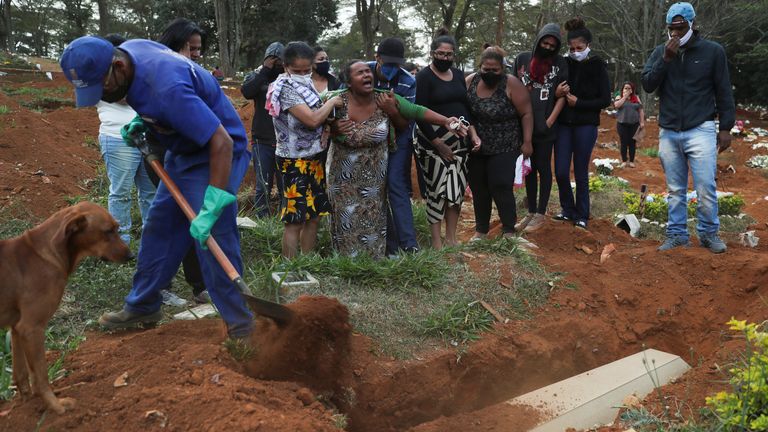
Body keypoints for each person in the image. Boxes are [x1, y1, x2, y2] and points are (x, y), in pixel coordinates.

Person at [60, 36, 254, 339]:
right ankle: (144, 304)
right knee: (159, 227)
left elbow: (222, 142)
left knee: (213, 237)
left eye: (104, 89)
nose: (104, 98)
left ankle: (242, 326)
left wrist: (213, 203)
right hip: (182, 149)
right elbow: (151, 97)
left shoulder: (166, 89)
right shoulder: (132, 52)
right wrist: (147, 124)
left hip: (215, 154)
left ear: (118, 66)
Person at [326, 60, 466, 258]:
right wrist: (331, 126)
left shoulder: (385, 98)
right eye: (360, 73)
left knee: (373, 216)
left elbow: (416, 110)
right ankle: (348, 262)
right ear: (349, 82)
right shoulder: (336, 100)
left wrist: (446, 120)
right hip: (343, 177)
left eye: (368, 71)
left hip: (374, 176)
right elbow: (311, 119)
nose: (367, 75)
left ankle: (374, 260)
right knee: (346, 218)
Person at [642, 2, 734, 253]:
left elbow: (723, 89)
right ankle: (677, 233)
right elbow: (648, 84)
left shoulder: (712, 51)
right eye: (672, 29)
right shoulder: (661, 51)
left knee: (705, 185)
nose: (676, 34)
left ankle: (708, 233)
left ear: (692, 24)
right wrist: (665, 59)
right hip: (669, 129)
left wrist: (726, 126)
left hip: (700, 127)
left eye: (681, 28)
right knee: (675, 189)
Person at [267, 41, 343, 258]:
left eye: (306, 70)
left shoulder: (307, 86)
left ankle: (308, 262)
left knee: (315, 214)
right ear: (285, 67)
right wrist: (330, 103)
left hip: (314, 156)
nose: (302, 74)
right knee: (294, 219)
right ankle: (290, 268)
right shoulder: (284, 89)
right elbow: (311, 120)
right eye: (296, 71)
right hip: (293, 161)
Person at [157, 18, 212, 304]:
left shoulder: (195, 73)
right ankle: (160, 286)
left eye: (198, 49)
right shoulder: (162, 73)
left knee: (195, 220)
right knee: (173, 220)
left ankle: (200, 285)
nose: (195, 54)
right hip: (162, 152)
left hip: (190, 155)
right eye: (190, 48)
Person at [415, 29, 481, 249]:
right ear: (432, 53)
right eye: (440, 54)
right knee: (437, 191)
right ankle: (436, 243)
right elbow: (419, 112)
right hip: (432, 144)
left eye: (448, 54)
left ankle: (452, 239)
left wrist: (472, 133)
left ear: (454, 55)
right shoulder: (424, 77)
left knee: (455, 191)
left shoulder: (458, 74)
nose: (444, 58)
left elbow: (465, 107)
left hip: (459, 145)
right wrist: (437, 143)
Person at [466, 46, 533, 240]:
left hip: (505, 143)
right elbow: (462, 108)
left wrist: (527, 141)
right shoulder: (471, 81)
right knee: (478, 187)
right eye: (486, 69)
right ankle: (481, 231)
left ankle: (509, 230)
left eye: (494, 70)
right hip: (476, 145)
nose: (490, 73)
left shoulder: (511, 83)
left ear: (502, 69)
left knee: (500, 185)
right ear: (480, 67)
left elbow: (527, 113)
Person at [95, 34, 156, 247]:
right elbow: (120, 95)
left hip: (146, 135)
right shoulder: (101, 74)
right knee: (120, 192)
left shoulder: (131, 69)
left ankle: (151, 242)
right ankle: (120, 243)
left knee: (150, 192)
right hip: (116, 136)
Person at [553, 17, 611, 230]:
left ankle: (582, 214)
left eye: (580, 47)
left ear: (588, 46)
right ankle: (567, 208)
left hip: (586, 124)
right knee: (560, 170)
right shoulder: (563, 64)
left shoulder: (597, 66)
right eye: (572, 48)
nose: (576, 51)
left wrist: (580, 103)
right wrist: (557, 93)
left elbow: (605, 99)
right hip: (563, 125)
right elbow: (552, 89)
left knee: (580, 170)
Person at [512, 23, 568, 232]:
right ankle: (530, 211)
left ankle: (541, 213)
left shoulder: (560, 63)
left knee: (543, 167)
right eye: (545, 43)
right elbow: (511, 86)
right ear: (538, 41)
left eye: (553, 45)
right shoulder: (522, 60)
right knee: (529, 168)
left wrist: (550, 121)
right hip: (524, 125)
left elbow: (563, 94)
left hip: (545, 125)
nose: (548, 47)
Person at [367, 37, 420, 255]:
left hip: (399, 136)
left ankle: (409, 244)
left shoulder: (407, 81)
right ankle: (386, 244)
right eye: (387, 63)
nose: (391, 69)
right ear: (377, 57)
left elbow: (404, 122)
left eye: (395, 65)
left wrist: (392, 110)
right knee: (373, 187)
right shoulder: (361, 73)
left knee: (396, 184)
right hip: (367, 137)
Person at [241, 42, 285, 218]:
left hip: (285, 140)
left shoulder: (288, 78)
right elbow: (247, 91)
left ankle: (285, 220)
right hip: (262, 140)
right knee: (263, 185)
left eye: (279, 60)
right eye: (272, 60)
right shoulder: (257, 76)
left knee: (285, 185)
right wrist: (265, 71)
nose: (275, 64)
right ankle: (262, 221)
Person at [613, 82, 645, 168]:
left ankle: (631, 161)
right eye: (625, 88)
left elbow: (641, 110)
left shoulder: (636, 98)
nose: (627, 90)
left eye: (629, 88)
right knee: (623, 142)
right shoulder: (619, 97)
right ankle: (624, 160)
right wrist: (625, 97)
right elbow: (616, 105)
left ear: (632, 90)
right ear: (622, 89)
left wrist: (642, 122)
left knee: (632, 143)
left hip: (634, 124)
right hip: (622, 124)